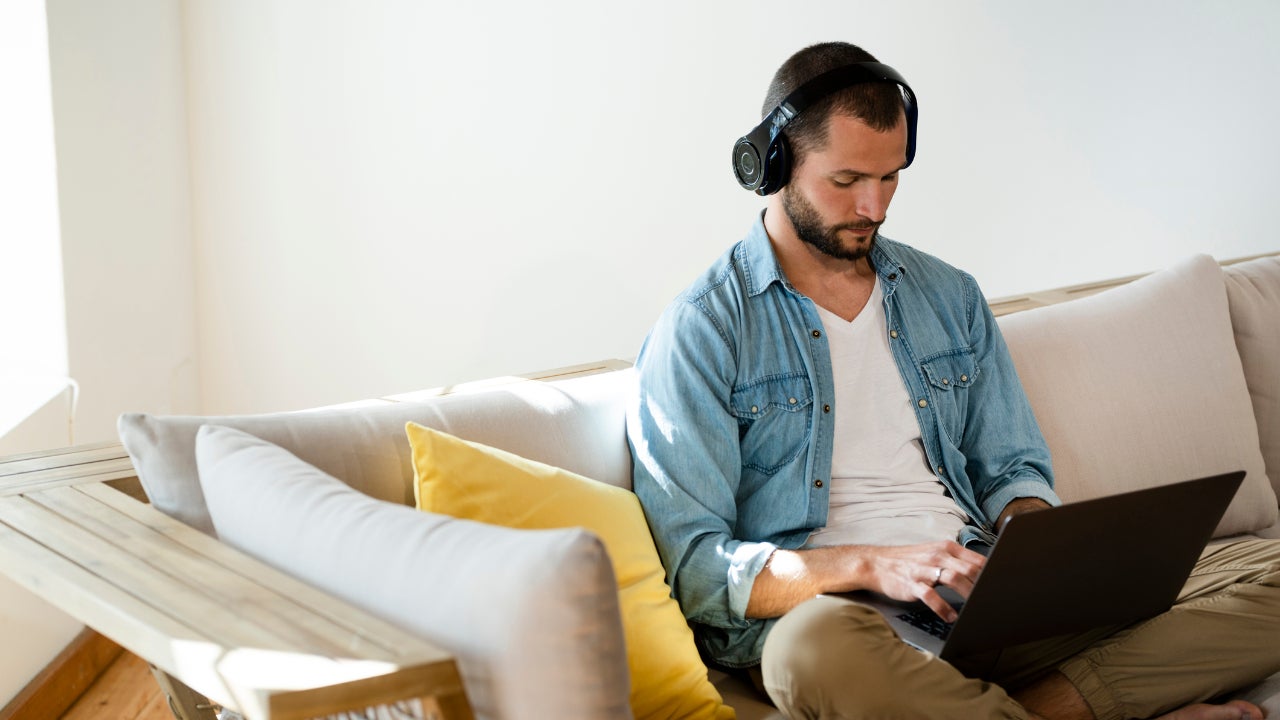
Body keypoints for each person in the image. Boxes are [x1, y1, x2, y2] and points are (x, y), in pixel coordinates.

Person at [626, 41, 1280, 720]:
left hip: (981, 603)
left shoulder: (949, 296)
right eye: (847, 181)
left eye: (891, 178)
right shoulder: (704, 328)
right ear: (774, 163)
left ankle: (1044, 705)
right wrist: (873, 564)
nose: (873, 207)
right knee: (809, 655)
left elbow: (1012, 468)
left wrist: (1038, 553)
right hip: (844, 622)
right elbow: (701, 572)